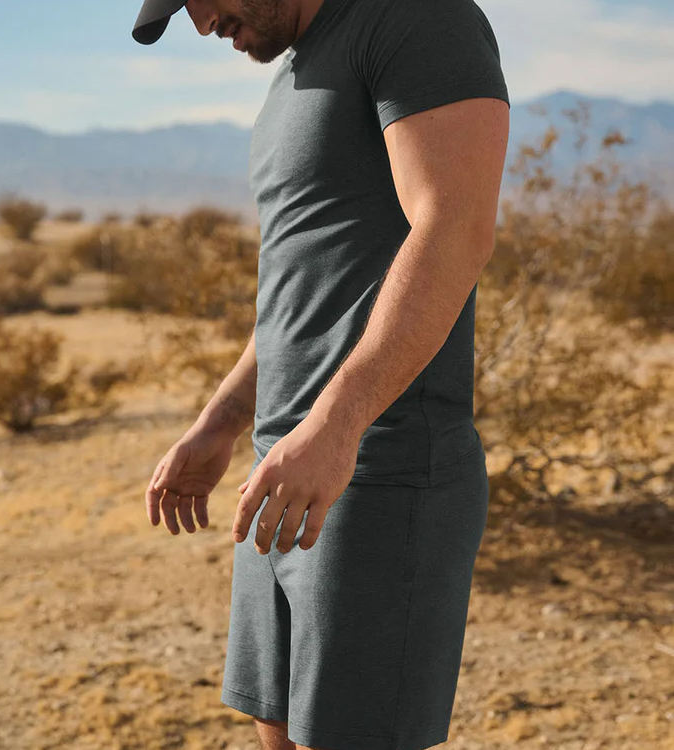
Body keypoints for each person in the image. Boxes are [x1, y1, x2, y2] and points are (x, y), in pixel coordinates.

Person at [136, 0, 510, 748]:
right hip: (281, 466)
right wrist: (220, 422)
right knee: (275, 729)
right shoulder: (289, 81)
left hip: (379, 465)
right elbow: (303, 290)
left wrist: (336, 425)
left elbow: (456, 227)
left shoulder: (415, 19)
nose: (202, 23)